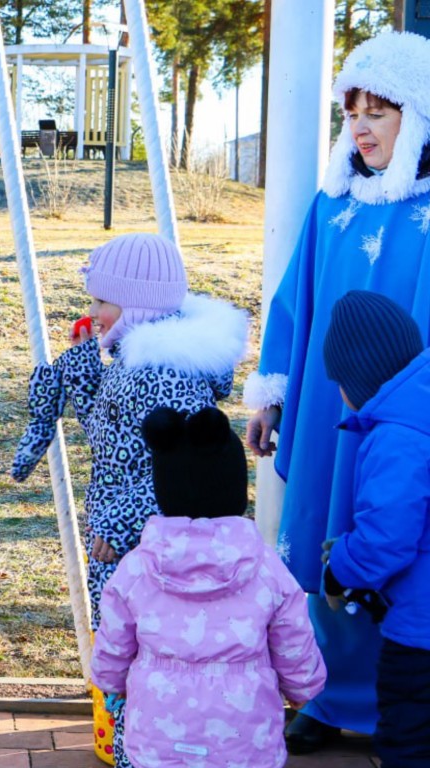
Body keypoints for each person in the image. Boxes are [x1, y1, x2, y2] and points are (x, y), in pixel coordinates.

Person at [244, 30, 430, 754]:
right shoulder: (333, 207)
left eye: (378, 112)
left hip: (408, 420)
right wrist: (274, 396)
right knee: (319, 536)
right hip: (328, 411)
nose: (360, 127)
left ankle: (400, 705)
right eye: (351, 112)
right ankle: (326, 696)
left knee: (394, 538)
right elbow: (296, 303)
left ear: (414, 117)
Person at [11, 232, 248, 768]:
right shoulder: (134, 362)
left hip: (144, 552)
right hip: (127, 545)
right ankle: (129, 746)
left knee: (142, 654)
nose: (91, 313)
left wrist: (117, 523)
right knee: (126, 652)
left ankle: (142, 751)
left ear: (137, 302)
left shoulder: (162, 374)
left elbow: (182, 471)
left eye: (101, 301)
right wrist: (84, 379)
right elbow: (121, 442)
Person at [91, 406, 327, 768]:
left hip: (158, 739)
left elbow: (114, 641)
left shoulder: (136, 567)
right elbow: (293, 637)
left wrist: (111, 682)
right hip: (245, 742)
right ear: (235, 489)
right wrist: (302, 689)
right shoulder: (266, 568)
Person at [320, 290, 430, 768]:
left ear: (359, 377)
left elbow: (387, 539)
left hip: (422, 635)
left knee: (409, 739)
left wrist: (338, 567)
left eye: (339, 382)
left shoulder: (398, 438)